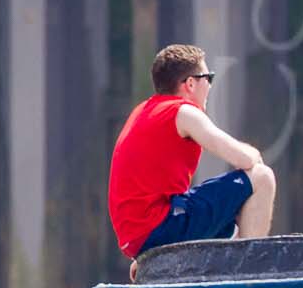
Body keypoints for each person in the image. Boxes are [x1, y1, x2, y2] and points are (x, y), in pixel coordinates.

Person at [108, 44, 277, 275]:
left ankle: (165, 263)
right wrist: (255, 155)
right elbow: (244, 159)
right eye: (208, 78)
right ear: (190, 83)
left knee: (228, 219)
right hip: (161, 226)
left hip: (139, 237)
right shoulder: (183, 112)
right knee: (261, 177)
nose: (209, 85)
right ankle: (248, 278)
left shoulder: (143, 111)